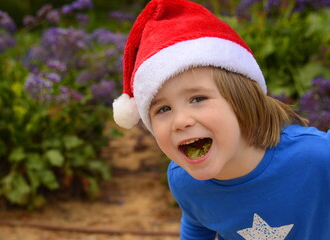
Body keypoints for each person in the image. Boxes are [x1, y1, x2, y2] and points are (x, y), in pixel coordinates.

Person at [112, 0, 330, 239]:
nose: (180, 121)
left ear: (242, 100)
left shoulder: (317, 157)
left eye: (198, 98)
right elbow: (196, 227)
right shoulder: (184, 180)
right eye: (163, 109)